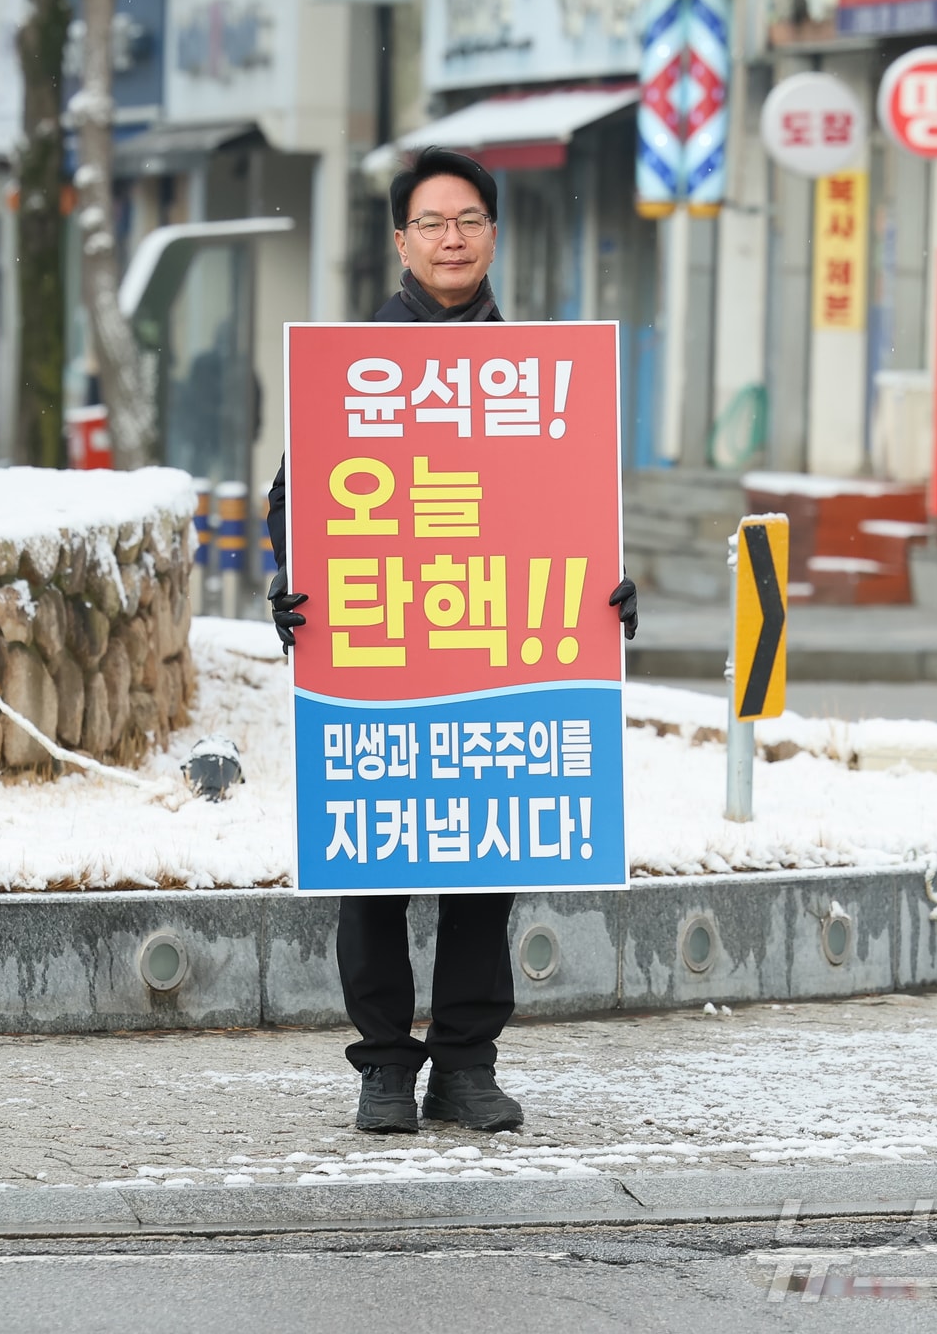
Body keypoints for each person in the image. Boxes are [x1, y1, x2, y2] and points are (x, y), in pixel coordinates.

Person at [266, 147, 638, 1136]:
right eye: (431, 222)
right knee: (373, 865)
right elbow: (290, 497)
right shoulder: (355, 367)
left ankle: (466, 1062)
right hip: (381, 648)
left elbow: (566, 508)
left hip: (494, 643)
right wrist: (289, 581)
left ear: (492, 233)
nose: (450, 238)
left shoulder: (539, 370)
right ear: (399, 239)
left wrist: (606, 589)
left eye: (468, 219)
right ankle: (384, 1064)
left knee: (486, 860)